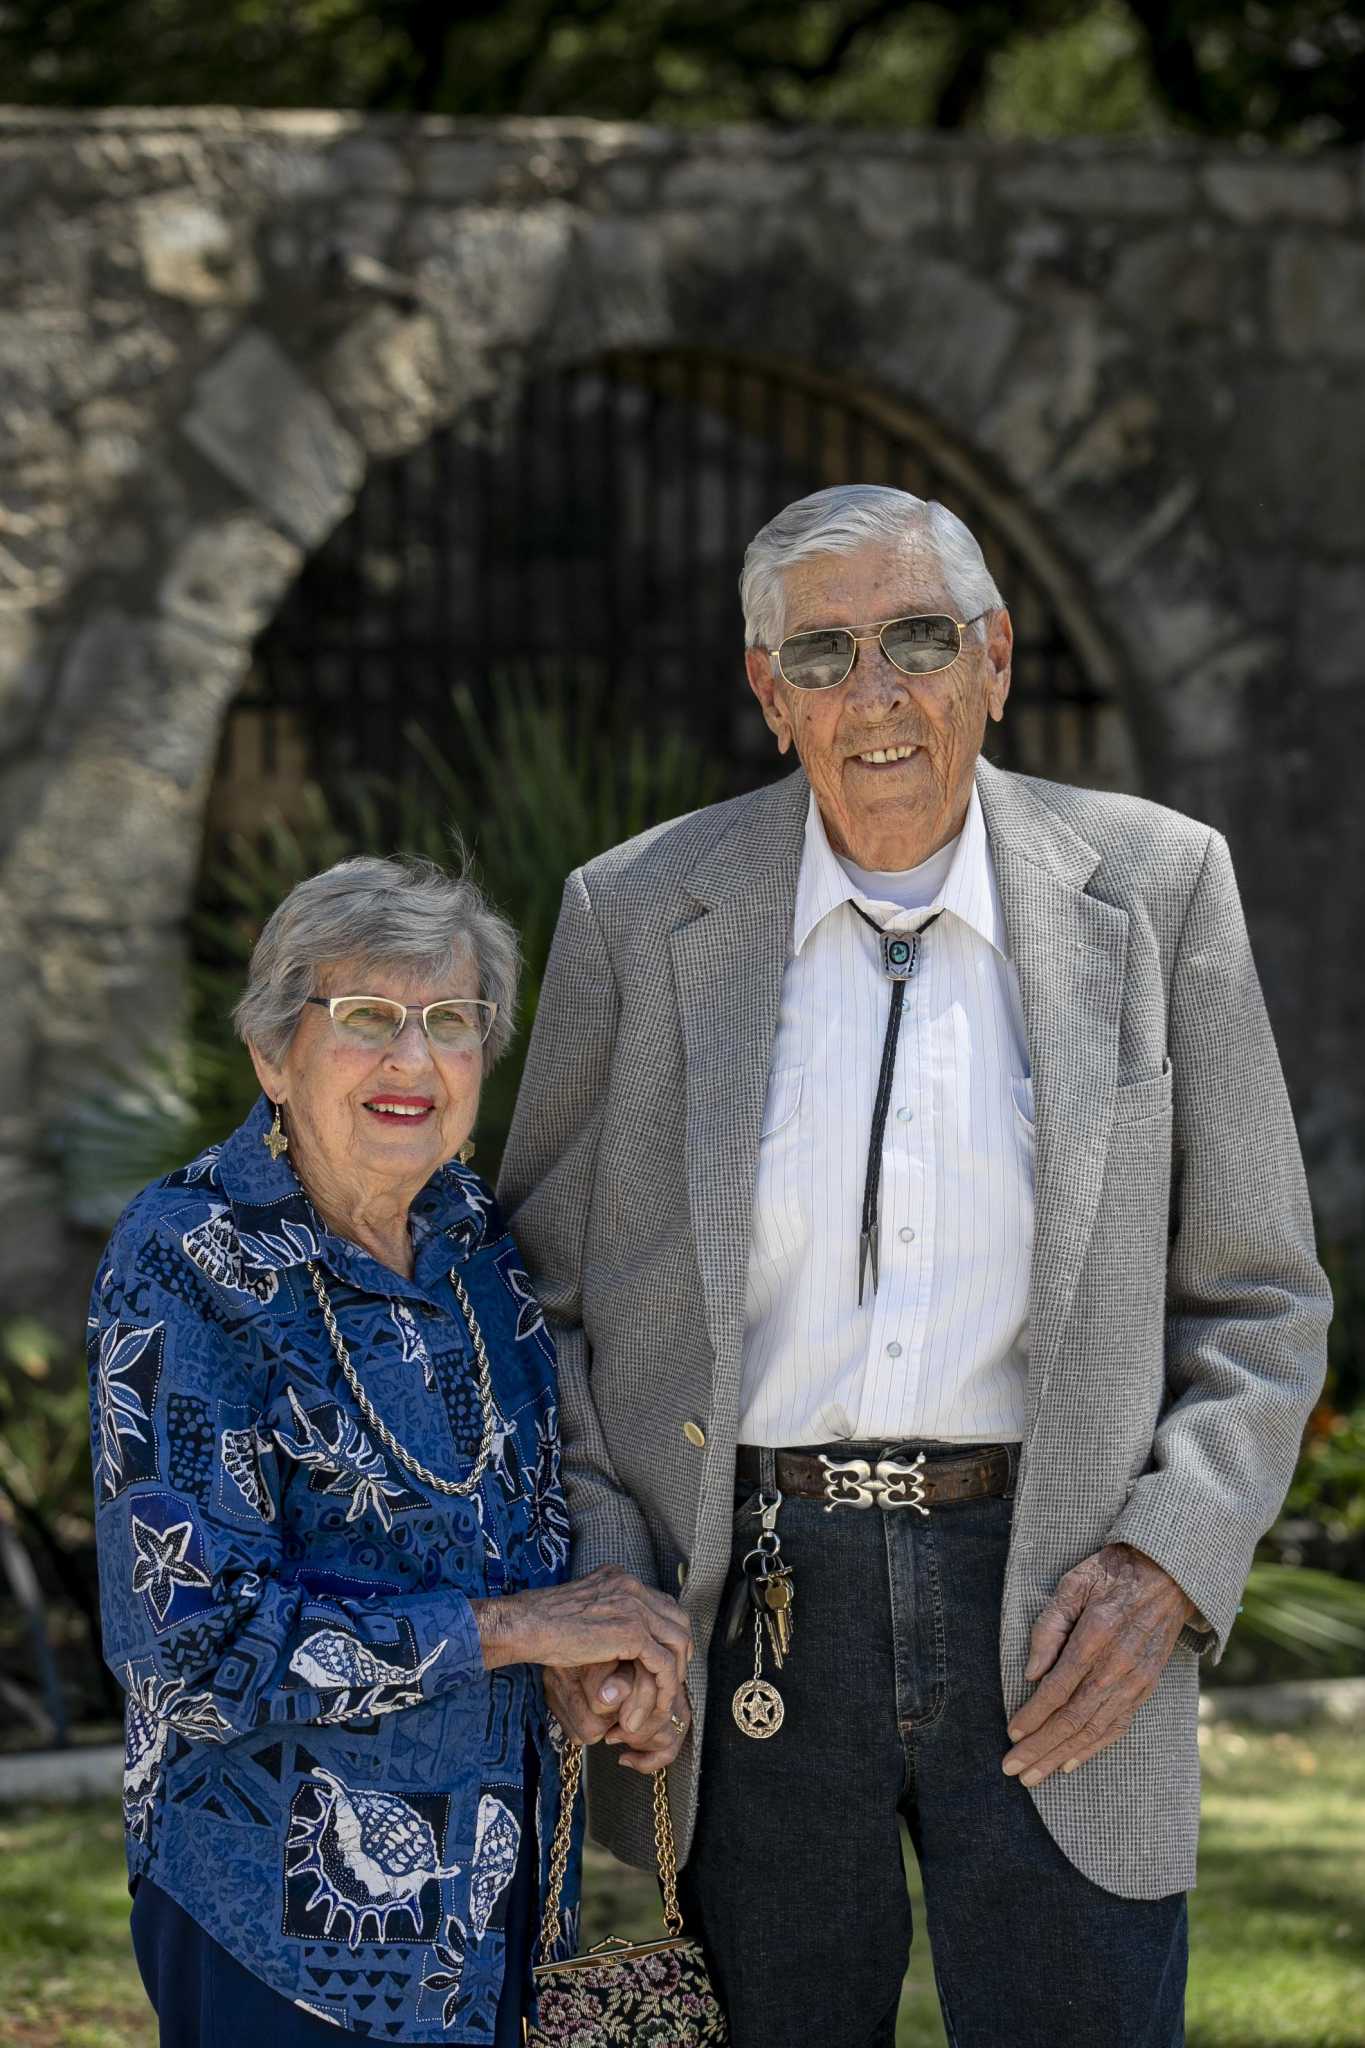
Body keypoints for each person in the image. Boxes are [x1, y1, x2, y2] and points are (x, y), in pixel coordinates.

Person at [498, 485, 1333, 2048]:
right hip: (746, 1617)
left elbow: (1263, 1302)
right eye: (820, 653)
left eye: (917, 640)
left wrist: (1164, 1564)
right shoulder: (630, 914)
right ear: (766, 692)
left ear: (996, 659)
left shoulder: (1157, 889)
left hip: (1060, 1615)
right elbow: (536, 1299)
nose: (872, 694)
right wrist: (607, 1577)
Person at [88, 854, 692, 2048]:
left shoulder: (476, 1243)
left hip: (492, 1908)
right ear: (274, 1052)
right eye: (365, 1017)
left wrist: (587, 1675)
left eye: (450, 1021)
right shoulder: (191, 1258)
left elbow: (510, 1553)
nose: (411, 1060)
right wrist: (520, 1630)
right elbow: (188, 1640)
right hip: (276, 1918)